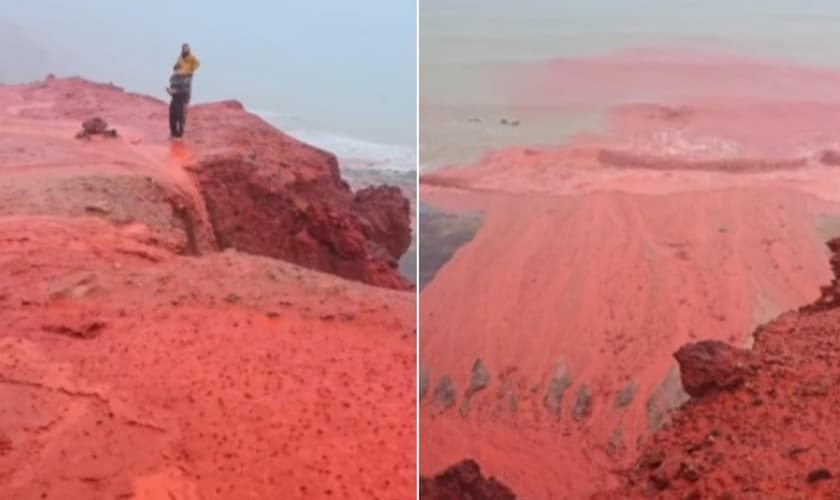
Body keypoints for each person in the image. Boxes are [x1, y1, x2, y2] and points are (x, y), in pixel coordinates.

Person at [166, 72, 190, 138]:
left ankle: (179, 136)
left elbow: (185, 92)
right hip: (174, 100)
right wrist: (170, 92)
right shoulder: (173, 78)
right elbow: (172, 93)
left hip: (181, 101)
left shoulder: (185, 79)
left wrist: (175, 92)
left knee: (181, 118)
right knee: (172, 118)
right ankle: (173, 134)